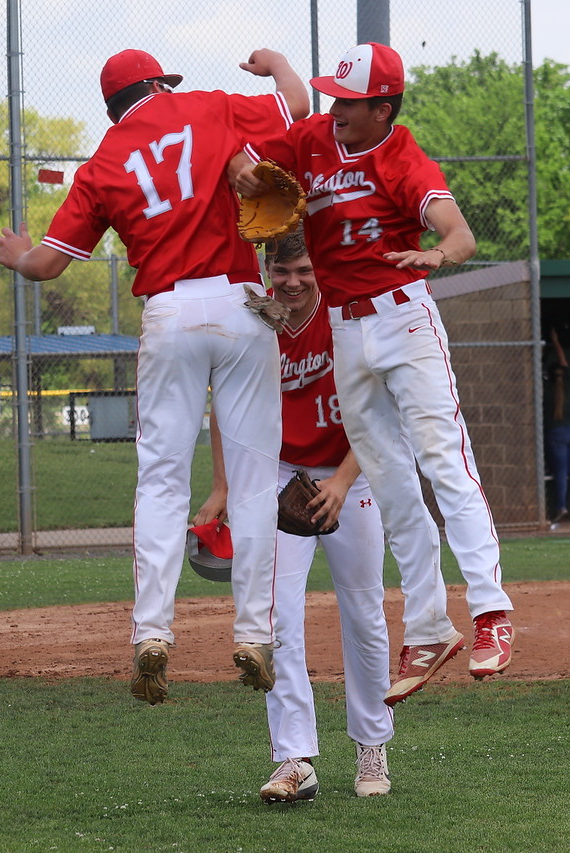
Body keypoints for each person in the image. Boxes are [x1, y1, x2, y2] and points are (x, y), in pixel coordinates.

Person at [0, 48, 309, 705]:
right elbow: (298, 105)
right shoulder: (208, 107)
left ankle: (151, 633)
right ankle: (254, 632)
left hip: (167, 312)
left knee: (162, 478)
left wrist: (18, 254)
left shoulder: (103, 162)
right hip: (237, 302)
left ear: (112, 105)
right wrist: (275, 63)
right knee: (254, 478)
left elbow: (49, 265)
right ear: (158, 84)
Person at [233, 43, 514, 705]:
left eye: (350, 102)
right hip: (346, 331)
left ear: (382, 108)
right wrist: (249, 159)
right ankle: (425, 626)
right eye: (333, 97)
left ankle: (491, 612)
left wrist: (435, 252)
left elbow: (461, 234)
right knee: (389, 482)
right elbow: (264, 141)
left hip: (403, 318)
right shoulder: (315, 138)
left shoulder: (401, 158)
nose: (335, 111)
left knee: (444, 461)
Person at [195, 230, 393, 802]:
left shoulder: (346, 312)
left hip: (350, 471)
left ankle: (371, 744)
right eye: (281, 271)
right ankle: (293, 759)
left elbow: (383, 409)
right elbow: (223, 411)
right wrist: (223, 487)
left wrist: (341, 481)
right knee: (275, 617)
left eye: (303, 268)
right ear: (267, 268)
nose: (292, 281)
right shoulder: (254, 318)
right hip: (279, 476)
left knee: (365, 615)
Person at [544, 327, 570, 524]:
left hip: (557, 433)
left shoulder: (545, 387)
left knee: (561, 472)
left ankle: (561, 507)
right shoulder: (567, 383)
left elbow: (556, 367)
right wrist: (556, 341)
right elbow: (564, 362)